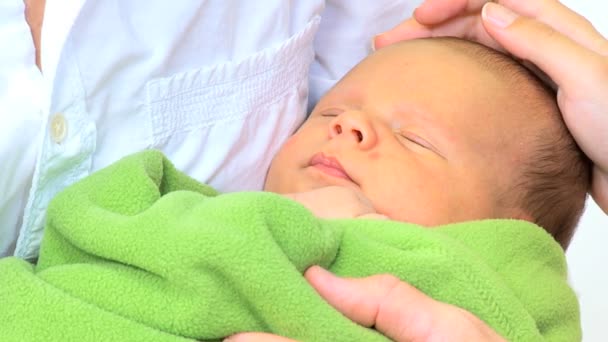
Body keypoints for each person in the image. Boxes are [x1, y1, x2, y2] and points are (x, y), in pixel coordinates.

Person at [3, 0, 606, 341]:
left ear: (510, 229)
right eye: (333, 110)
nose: (346, 126)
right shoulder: (189, 206)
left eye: (413, 138)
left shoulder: (486, 285)